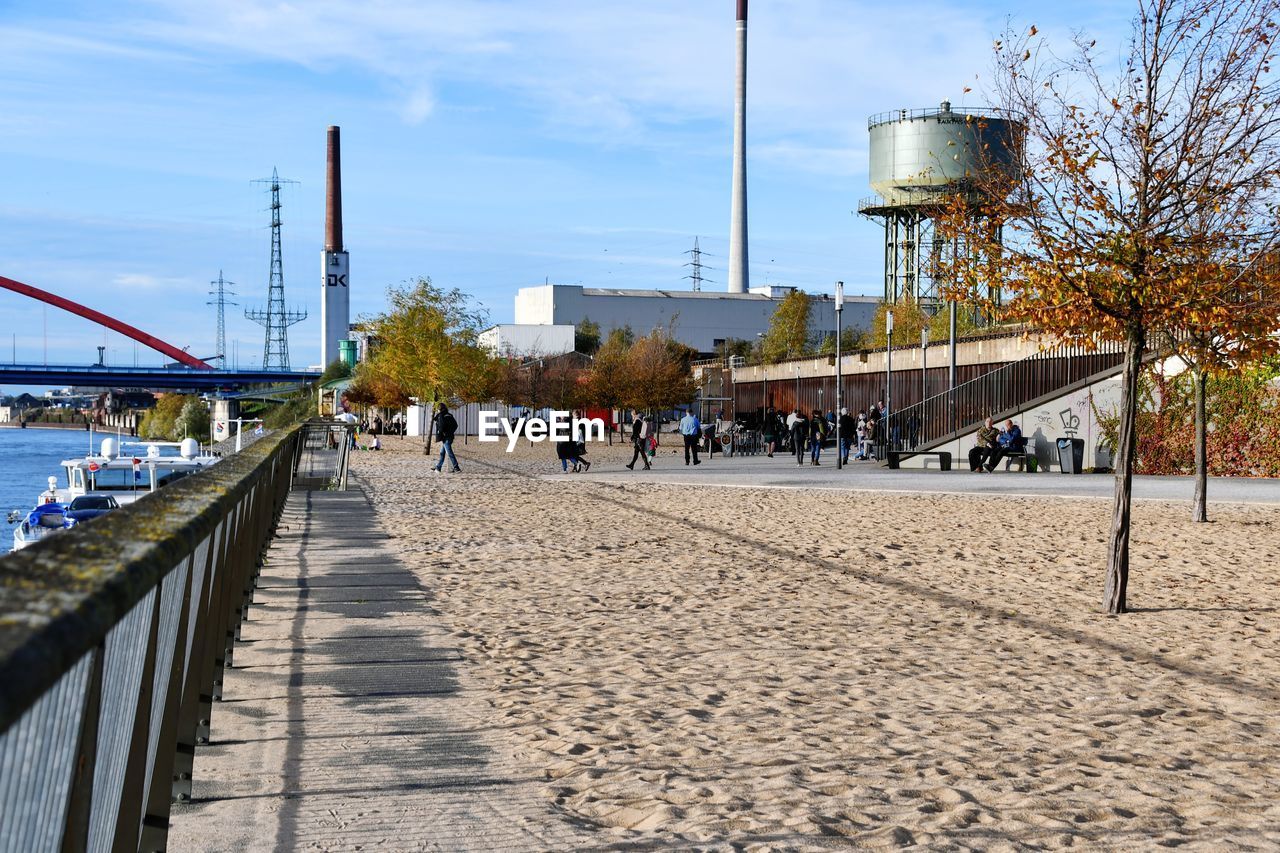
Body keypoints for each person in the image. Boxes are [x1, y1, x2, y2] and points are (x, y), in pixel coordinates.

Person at [432, 404, 460, 473]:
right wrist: (450, 432)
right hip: (450, 437)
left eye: (438, 409)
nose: (438, 411)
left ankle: (456, 467)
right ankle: (438, 467)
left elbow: (441, 426)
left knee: (449, 452)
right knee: (442, 452)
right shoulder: (449, 415)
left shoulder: (441, 416)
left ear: (440, 409)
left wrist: (443, 433)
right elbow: (455, 425)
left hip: (446, 437)